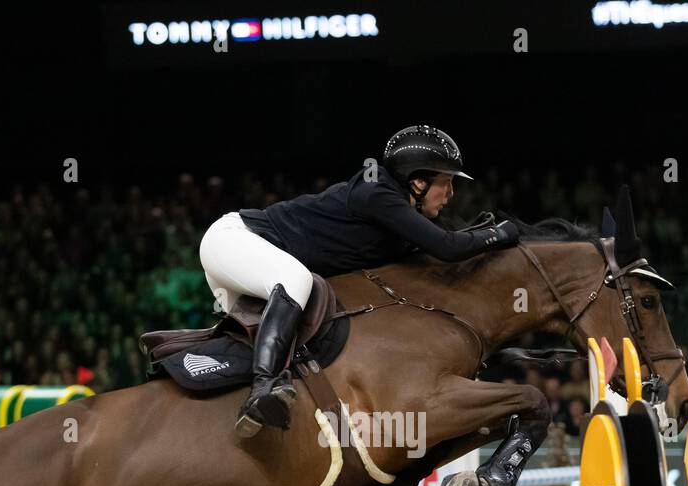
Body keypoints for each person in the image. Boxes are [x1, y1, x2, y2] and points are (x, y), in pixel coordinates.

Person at [199, 125, 519, 438]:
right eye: (446, 183)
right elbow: (447, 247)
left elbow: (433, 256)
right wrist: (501, 233)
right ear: (417, 181)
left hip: (248, 262)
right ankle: (264, 387)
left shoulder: (393, 216)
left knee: (299, 344)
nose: (450, 194)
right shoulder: (377, 193)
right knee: (296, 280)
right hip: (234, 241)